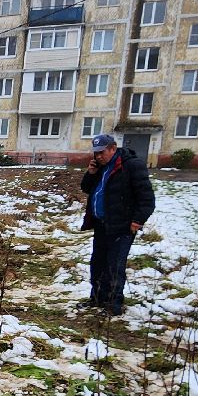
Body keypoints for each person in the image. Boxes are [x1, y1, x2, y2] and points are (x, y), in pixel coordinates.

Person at [79, 133, 155, 316]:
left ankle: (113, 305)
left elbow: (147, 198)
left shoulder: (131, 166)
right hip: (102, 225)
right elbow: (87, 189)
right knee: (98, 263)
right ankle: (97, 298)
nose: (98, 156)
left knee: (114, 266)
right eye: (95, 153)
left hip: (122, 226)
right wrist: (91, 174)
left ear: (113, 148)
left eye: (101, 152)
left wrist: (137, 220)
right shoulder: (100, 168)